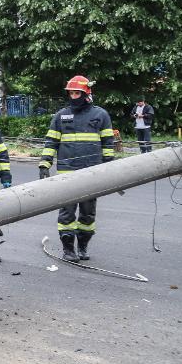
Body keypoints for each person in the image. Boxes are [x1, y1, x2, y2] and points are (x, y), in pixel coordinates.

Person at [39, 76, 115, 262]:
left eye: (77, 93)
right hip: (67, 174)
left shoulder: (100, 115)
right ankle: (68, 249)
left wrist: (109, 168)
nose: (74, 96)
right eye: (71, 93)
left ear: (86, 93)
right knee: (67, 213)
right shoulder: (61, 116)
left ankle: (82, 246)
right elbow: (51, 142)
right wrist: (44, 163)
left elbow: (108, 144)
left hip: (92, 173)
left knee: (88, 213)